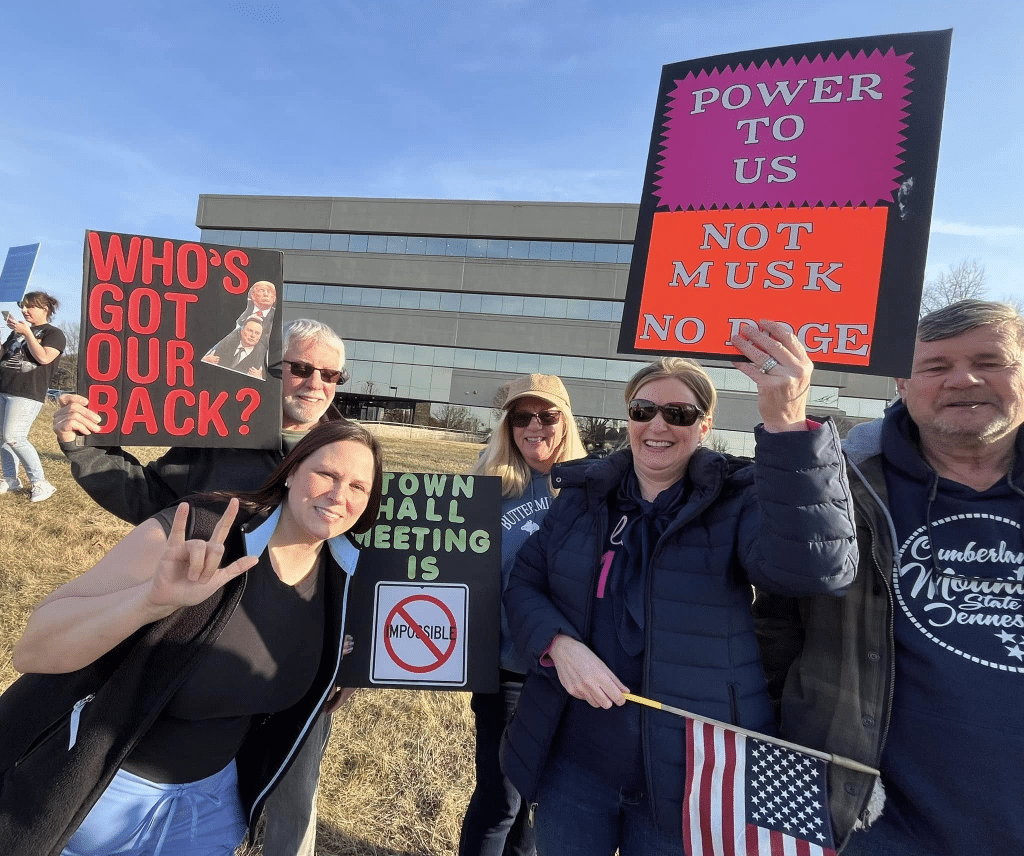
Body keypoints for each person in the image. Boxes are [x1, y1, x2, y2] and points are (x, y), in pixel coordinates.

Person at [500, 320, 858, 855]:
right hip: (574, 765)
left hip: (689, 773)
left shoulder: (737, 500)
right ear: (628, 419)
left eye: (679, 413)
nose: (658, 425)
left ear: (705, 424)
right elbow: (524, 582)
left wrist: (787, 426)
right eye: (643, 411)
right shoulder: (583, 496)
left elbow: (816, 568)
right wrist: (559, 645)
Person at [0, 420, 383, 856]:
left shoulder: (343, 575)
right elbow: (33, 647)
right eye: (327, 475)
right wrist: (148, 602)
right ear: (291, 470)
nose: (339, 496)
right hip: (96, 797)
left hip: (211, 810)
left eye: (358, 486)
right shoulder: (199, 528)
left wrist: (338, 664)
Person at [51, 317, 348, 856]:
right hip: (201, 635)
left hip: (293, 652)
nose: (315, 384)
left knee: (289, 778)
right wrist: (87, 448)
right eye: (300, 368)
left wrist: (353, 657)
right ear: (270, 372)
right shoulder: (219, 427)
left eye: (331, 375)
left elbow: (369, 558)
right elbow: (154, 501)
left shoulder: (347, 452)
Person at [755, 300, 1024, 855]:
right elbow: (777, 635)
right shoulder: (843, 491)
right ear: (902, 382)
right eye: (936, 366)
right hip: (869, 827)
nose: (964, 379)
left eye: (990, 361)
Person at [458, 374, 586, 856]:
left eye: (547, 415)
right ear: (508, 426)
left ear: (565, 421)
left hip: (569, 670)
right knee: (500, 800)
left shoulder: (589, 489)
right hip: (507, 667)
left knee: (537, 800)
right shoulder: (487, 489)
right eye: (521, 417)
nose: (535, 426)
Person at [0, 291, 66, 502]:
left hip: (27, 393)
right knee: (2, 438)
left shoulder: (54, 333)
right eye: (23, 306)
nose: (24, 310)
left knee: (14, 437)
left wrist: (27, 333)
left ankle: (41, 483)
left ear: (44, 308)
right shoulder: (16, 333)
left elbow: (44, 358)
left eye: (30, 306)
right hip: (4, 388)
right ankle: (10, 479)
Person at [202, 317, 268, 379]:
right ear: (242, 331)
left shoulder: (263, 358)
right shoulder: (225, 342)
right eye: (250, 330)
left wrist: (259, 378)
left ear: (260, 337)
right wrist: (204, 360)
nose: (252, 335)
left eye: (257, 333)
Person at [235, 280, 277, 346]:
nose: (266, 294)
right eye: (261, 291)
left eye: (269, 292)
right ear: (253, 296)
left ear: (274, 298)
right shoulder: (242, 313)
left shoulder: (277, 317)